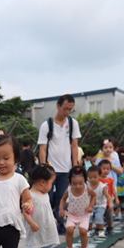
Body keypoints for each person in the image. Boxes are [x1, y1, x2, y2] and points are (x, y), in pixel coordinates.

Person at [37, 95, 82, 235]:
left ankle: (60, 224)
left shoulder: (73, 123)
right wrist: (44, 166)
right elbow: (42, 148)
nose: (67, 112)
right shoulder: (46, 125)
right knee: (47, 198)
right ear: (58, 106)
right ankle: (45, 224)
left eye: (70, 109)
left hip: (66, 169)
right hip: (50, 169)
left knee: (62, 199)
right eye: (65, 109)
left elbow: (75, 146)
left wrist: (75, 166)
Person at [24, 165, 59, 248]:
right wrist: (31, 223)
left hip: (47, 227)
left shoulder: (45, 194)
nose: (51, 186)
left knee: (48, 247)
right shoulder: (30, 196)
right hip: (34, 228)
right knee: (32, 247)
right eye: (51, 183)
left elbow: (47, 209)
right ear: (42, 183)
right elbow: (25, 212)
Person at [59, 167, 96, 248]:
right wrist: (61, 209)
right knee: (69, 229)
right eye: (74, 184)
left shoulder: (87, 188)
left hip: (84, 214)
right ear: (70, 182)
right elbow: (63, 199)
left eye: (80, 183)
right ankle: (69, 247)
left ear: (85, 181)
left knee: (83, 231)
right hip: (71, 214)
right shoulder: (68, 189)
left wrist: (91, 206)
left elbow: (94, 196)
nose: (77, 186)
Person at [87, 165, 111, 237]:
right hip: (90, 205)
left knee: (98, 217)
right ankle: (89, 230)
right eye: (90, 177)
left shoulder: (103, 186)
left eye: (95, 177)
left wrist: (110, 203)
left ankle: (101, 230)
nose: (92, 179)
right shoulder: (87, 185)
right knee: (88, 218)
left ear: (100, 176)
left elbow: (107, 196)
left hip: (100, 205)